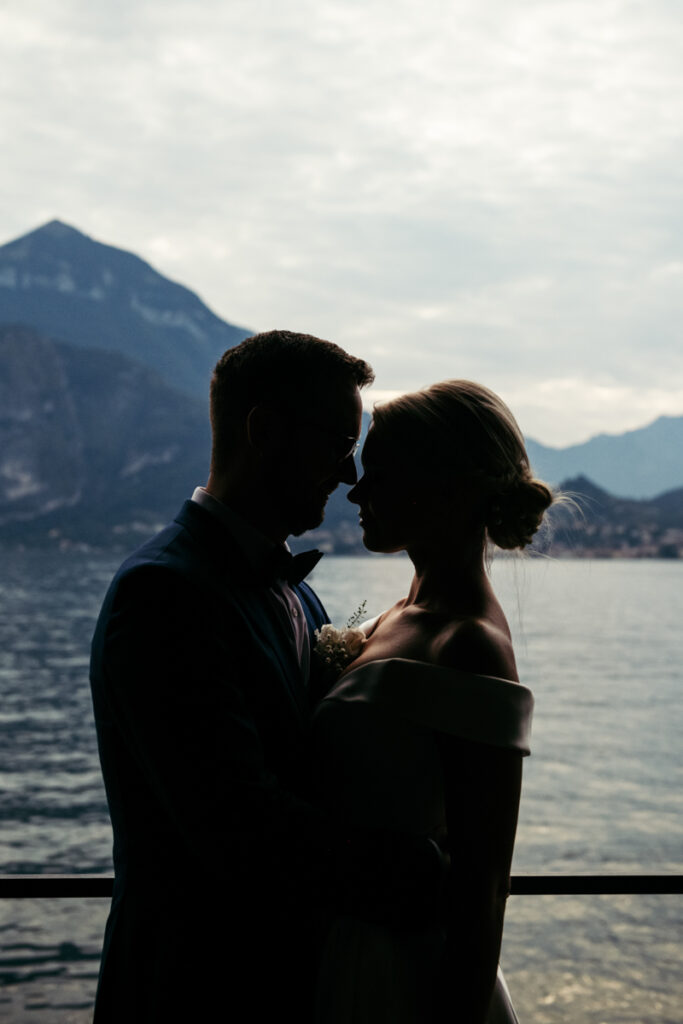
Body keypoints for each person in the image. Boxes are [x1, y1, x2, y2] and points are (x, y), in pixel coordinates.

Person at [89, 330, 444, 1023]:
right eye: (338, 446)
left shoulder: (295, 593)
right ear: (263, 430)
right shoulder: (162, 593)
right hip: (189, 994)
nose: (347, 479)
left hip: (293, 988)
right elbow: (238, 829)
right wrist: (425, 871)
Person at [313, 379, 554, 1023]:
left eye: (380, 474)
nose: (355, 492)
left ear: (445, 486)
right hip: (343, 948)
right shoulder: (403, 612)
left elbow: (483, 885)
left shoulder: (469, 643)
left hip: (404, 976)